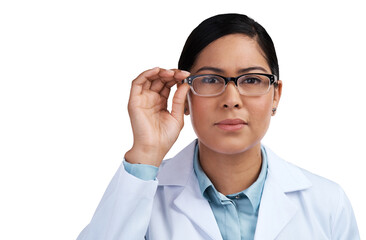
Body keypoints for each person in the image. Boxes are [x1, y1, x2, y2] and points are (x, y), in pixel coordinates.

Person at [76, 13, 360, 240]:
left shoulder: (327, 204)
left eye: (251, 80)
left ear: (276, 95)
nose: (231, 100)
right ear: (185, 96)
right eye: (211, 80)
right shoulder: (144, 194)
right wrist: (146, 152)